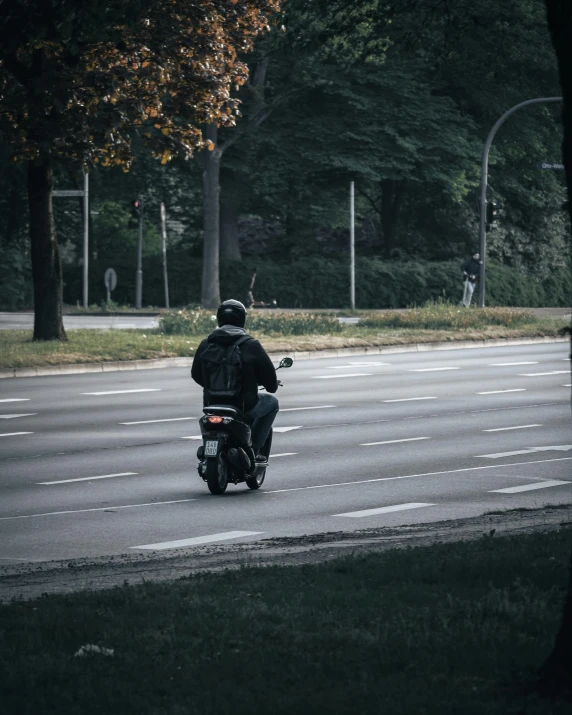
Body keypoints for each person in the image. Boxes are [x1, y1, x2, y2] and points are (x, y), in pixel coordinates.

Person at [191, 299, 279, 459]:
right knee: (272, 403)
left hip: (212, 404)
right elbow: (271, 383)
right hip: (244, 405)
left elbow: (195, 374)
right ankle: (254, 450)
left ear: (219, 318)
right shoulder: (251, 345)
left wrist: (212, 387)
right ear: (242, 319)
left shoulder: (206, 344)